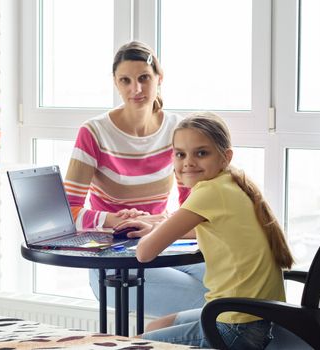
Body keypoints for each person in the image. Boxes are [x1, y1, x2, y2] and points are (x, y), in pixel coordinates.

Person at [115, 112, 294, 349]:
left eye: (201, 153)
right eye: (180, 154)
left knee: (135, 346)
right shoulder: (230, 182)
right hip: (256, 317)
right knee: (155, 328)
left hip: (236, 325)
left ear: (224, 157)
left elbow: (144, 253)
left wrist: (154, 233)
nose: (188, 162)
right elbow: (210, 228)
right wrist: (157, 227)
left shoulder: (209, 192)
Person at [64, 41, 208, 317]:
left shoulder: (177, 129)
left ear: (159, 78)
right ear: (115, 83)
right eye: (126, 81)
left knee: (237, 289)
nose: (136, 89)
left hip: (166, 246)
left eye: (144, 78)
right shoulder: (93, 133)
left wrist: (159, 224)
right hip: (113, 259)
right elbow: (67, 213)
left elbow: (194, 206)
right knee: (211, 301)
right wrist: (112, 220)